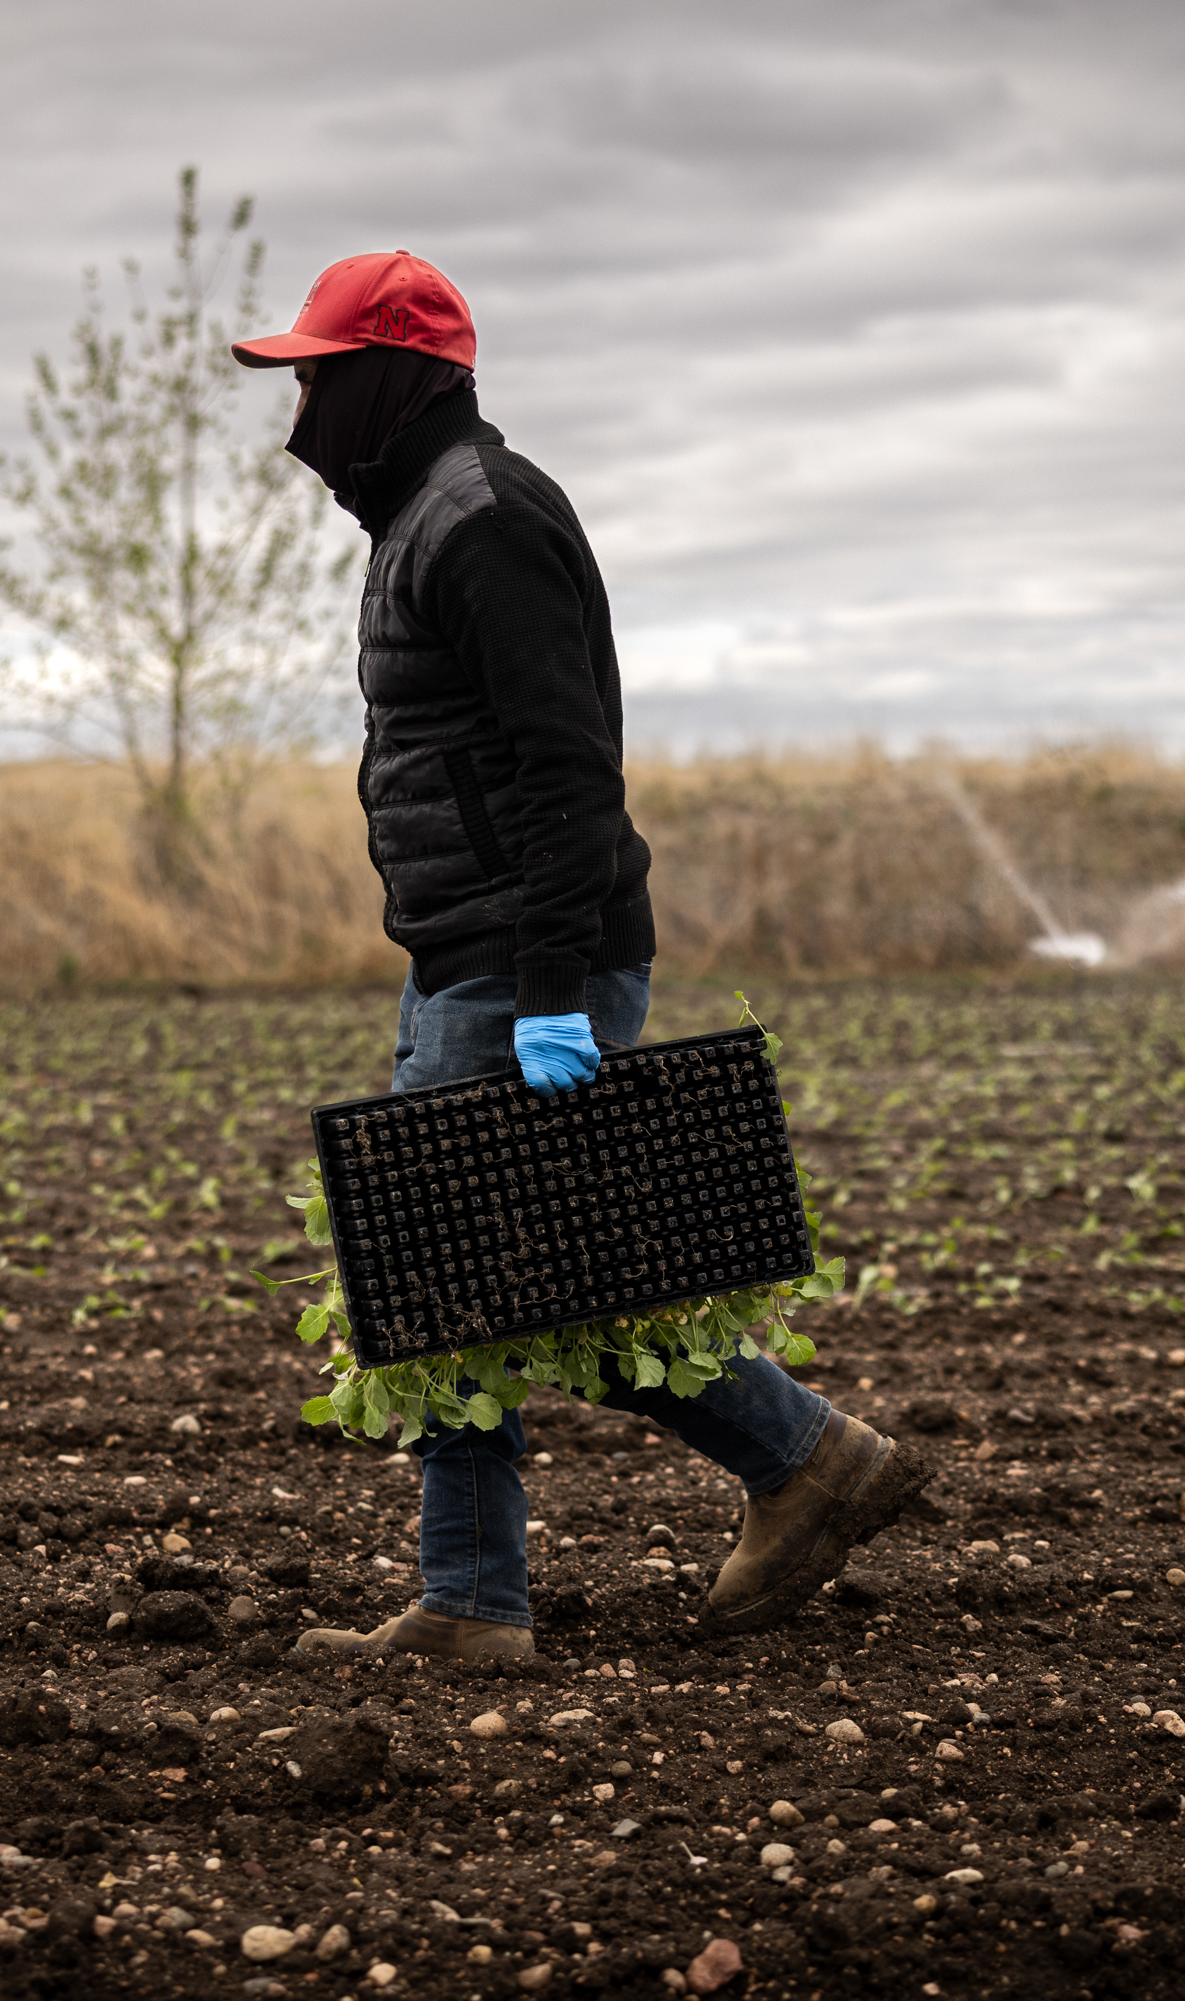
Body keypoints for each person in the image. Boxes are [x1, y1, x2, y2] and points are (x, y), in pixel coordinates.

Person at [232, 251, 929, 1661]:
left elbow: (565, 767)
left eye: (320, 369)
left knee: (457, 1273)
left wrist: (552, 989)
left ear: (395, 377)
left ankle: (536, 1574)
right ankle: (744, 1483)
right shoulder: (430, 513)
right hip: (474, 953)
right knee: (512, 1269)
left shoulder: (479, 517)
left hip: (519, 959)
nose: (301, 399)